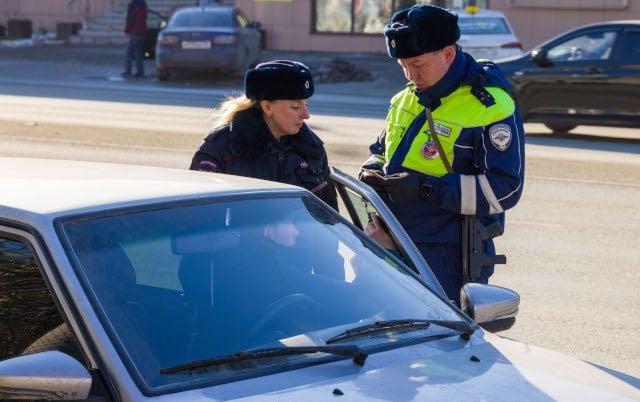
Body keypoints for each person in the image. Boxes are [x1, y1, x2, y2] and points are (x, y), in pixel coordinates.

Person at [359, 5, 525, 306]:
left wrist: (426, 189)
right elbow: (381, 150)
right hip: (393, 241)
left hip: (447, 256)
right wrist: (371, 171)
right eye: (403, 65)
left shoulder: (490, 107)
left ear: (448, 54)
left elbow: (505, 190)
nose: (411, 75)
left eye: (418, 65)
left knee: (441, 348)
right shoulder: (405, 97)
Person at [190, 59, 338, 211]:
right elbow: (197, 216)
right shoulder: (221, 148)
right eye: (296, 107)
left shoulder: (312, 148)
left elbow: (329, 217)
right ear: (267, 107)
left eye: (306, 105)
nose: (306, 115)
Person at [122, 0, 147, 78]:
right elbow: (145, 17)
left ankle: (127, 71)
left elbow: (130, 19)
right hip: (142, 31)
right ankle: (140, 72)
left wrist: (126, 31)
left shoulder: (132, 5)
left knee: (129, 51)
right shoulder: (144, 4)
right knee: (138, 52)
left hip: (135, 32)